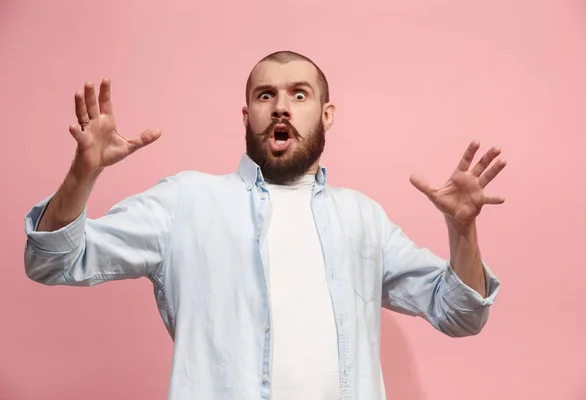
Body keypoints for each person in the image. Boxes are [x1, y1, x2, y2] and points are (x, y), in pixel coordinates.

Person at [23, 50, 505, 400]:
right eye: (265, 95)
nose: (281, 106)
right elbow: (52, 260)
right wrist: (83, 173)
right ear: (247, 113)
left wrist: (462, 230)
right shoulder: (185, 202)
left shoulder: (364, 219)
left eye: (300, 93)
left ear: (325, 114)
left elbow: (461, 314)